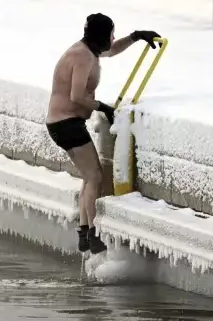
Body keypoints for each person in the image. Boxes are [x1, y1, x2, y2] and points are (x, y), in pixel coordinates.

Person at [45, 13, 159, 254]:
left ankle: (85, 233)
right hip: (66, 123)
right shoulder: (81, 56)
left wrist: (136, 37)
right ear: (101, 35)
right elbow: (76, 97)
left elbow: (112, 50)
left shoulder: (89, 50)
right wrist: (103, 107)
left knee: (89, 177)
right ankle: (90, 233)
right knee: (94, 176)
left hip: (66, 122)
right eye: (111, 33)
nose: (113, 38)